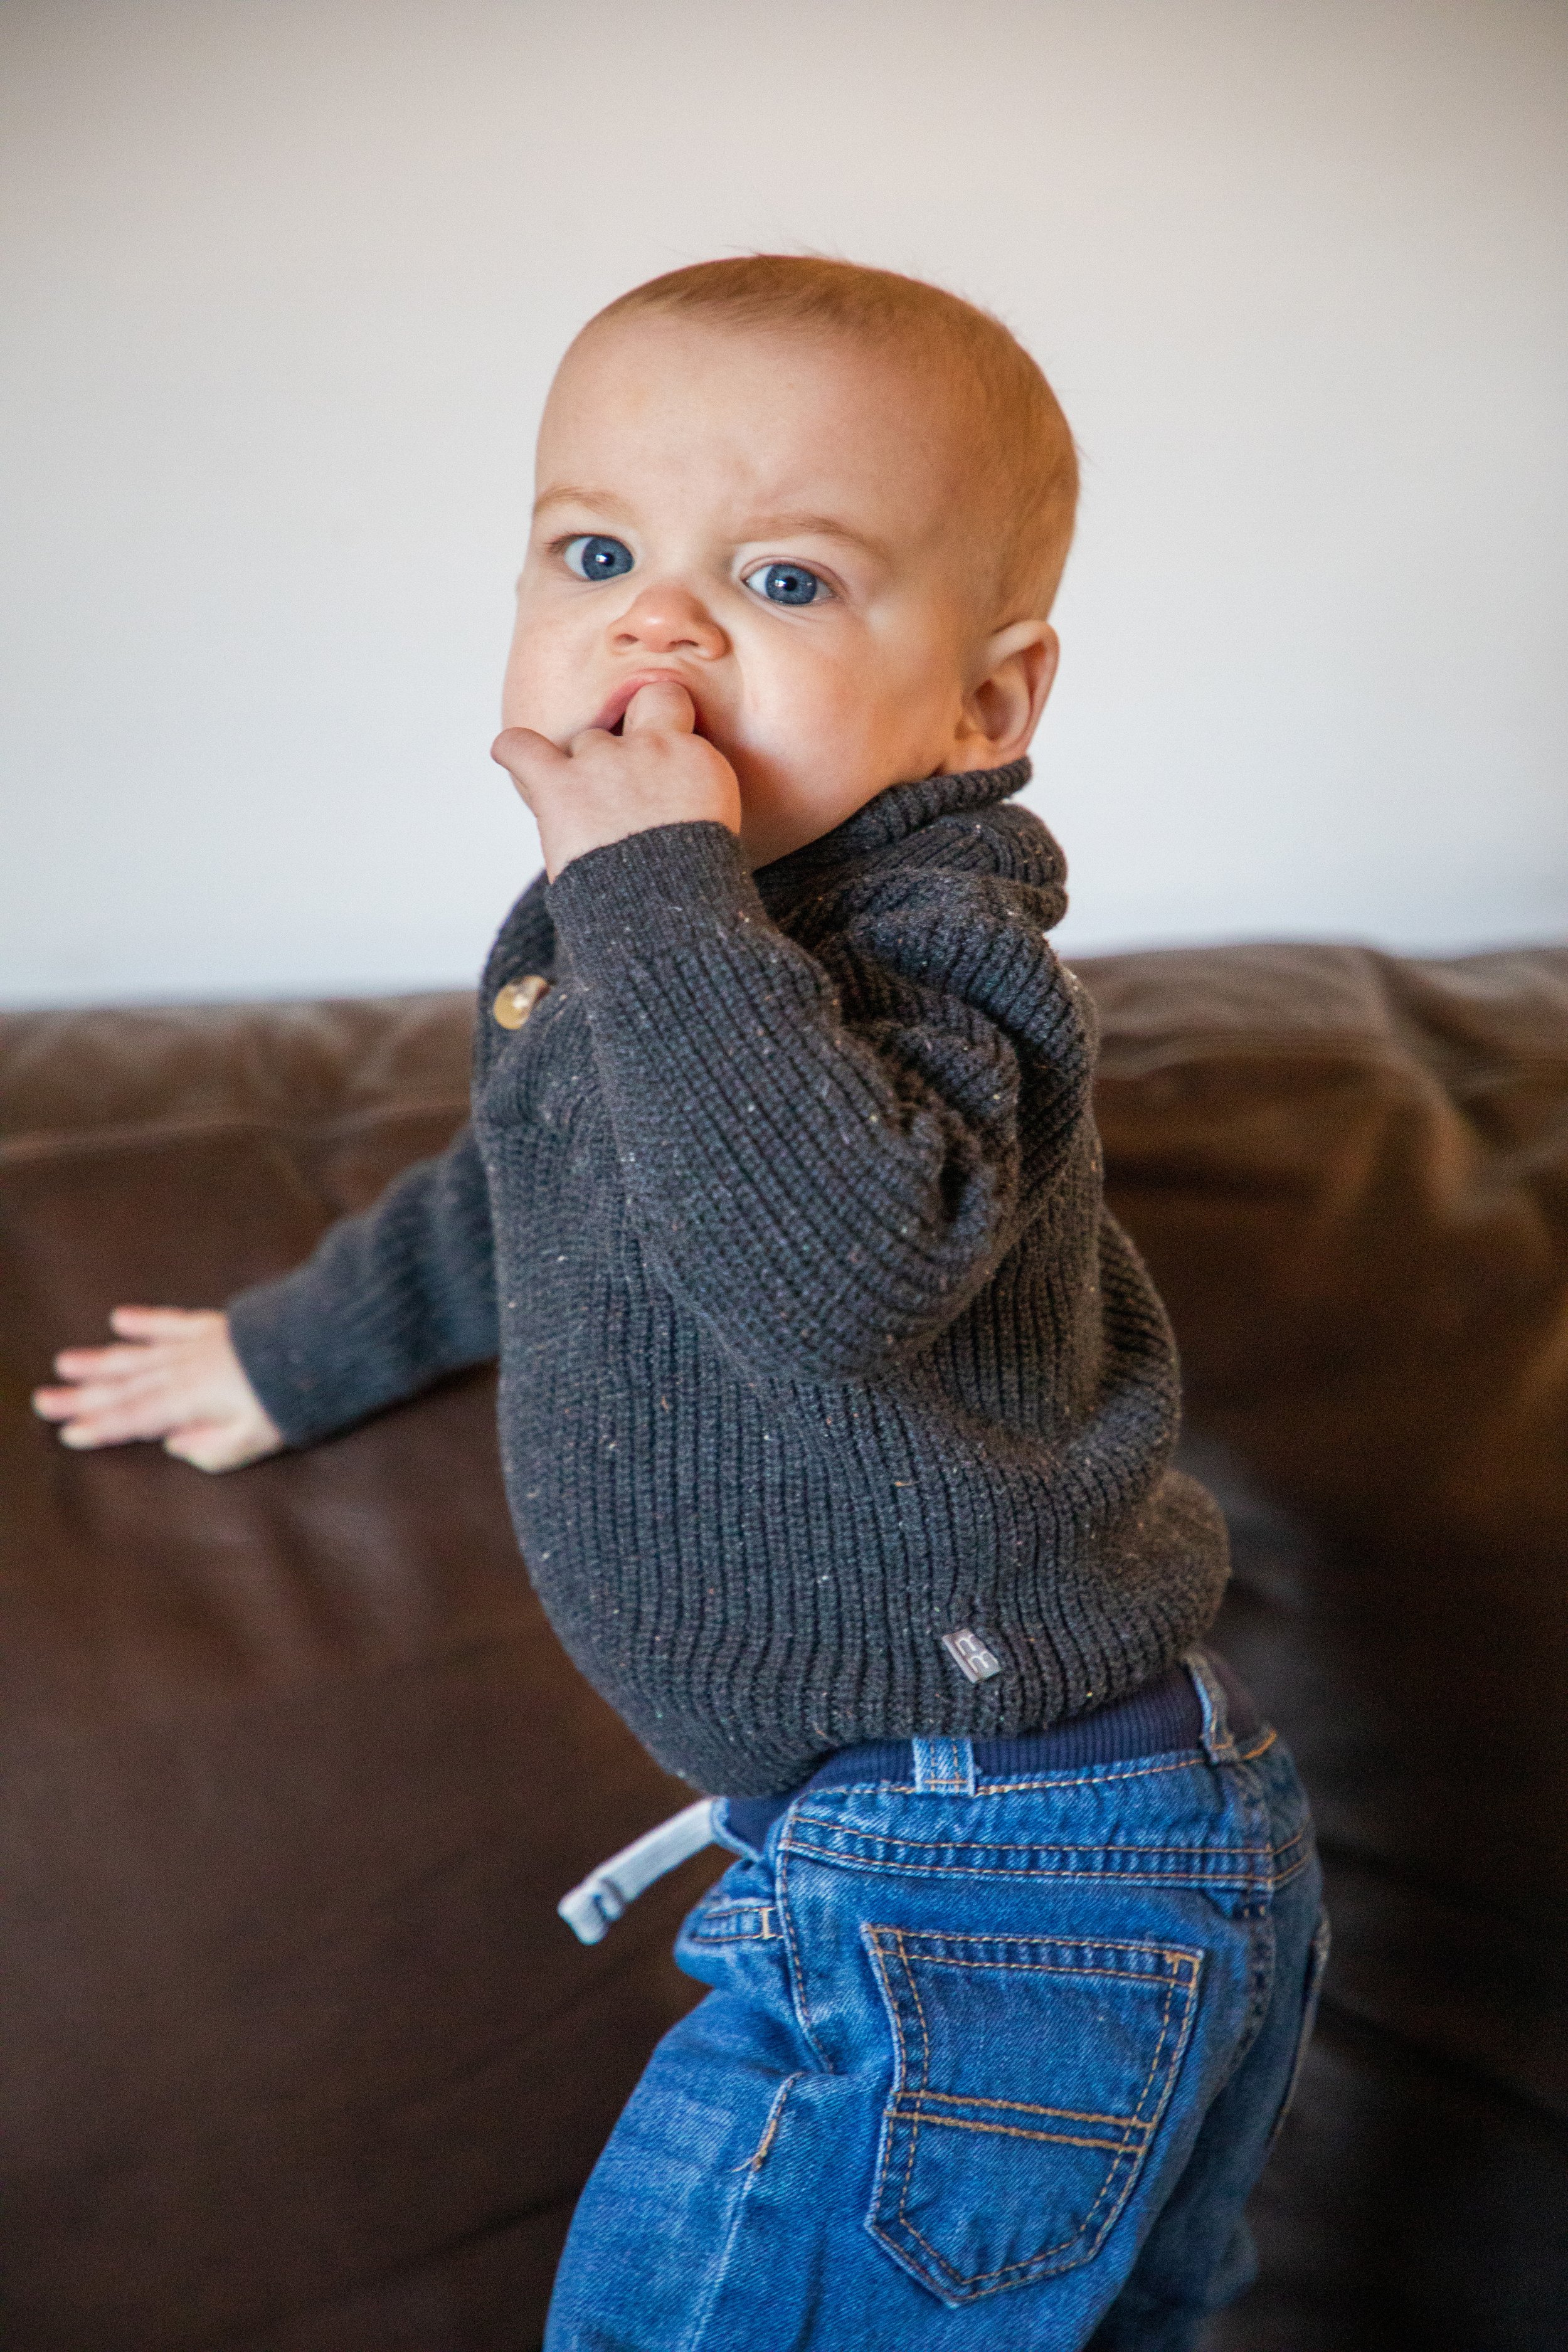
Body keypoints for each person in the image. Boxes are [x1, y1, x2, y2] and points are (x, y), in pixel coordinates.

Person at [33, 257, 1327, 2351]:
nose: (661, 623)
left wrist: (650, 894)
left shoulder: (932, 942)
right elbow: (523, 1198)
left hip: (993, 1875)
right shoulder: (633, 946)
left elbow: (838, 1265)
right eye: (598, 552)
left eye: (789, 582)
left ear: (986, 706)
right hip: (973, 1854)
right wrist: (290, 1354)